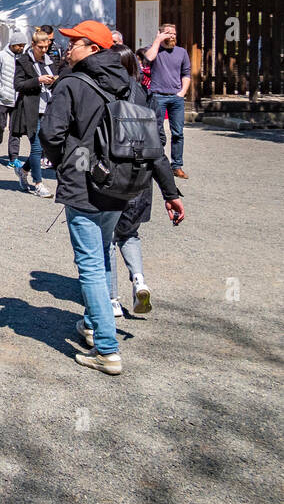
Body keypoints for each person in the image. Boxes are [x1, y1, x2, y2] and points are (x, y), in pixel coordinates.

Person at [41, 20, 184, 377]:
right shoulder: (133, 87)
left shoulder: (71, 83)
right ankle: (92, 323)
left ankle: (107, 348)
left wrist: (69, 164)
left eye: (74, 42)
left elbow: (50, 134)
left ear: (93, 49)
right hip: (122, 185)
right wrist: (170, 191)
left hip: (84, 187)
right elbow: (154, 145)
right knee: (102, 254)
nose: (67, 47)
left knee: (90, 264)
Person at [105, 46, 158, 319]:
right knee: (130, 233)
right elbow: (158, 138)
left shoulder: (107, 93)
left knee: (108, 239)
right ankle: (139, 280)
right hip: (142, 174)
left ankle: (112, 299)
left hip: (113, 175)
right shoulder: (145, 93)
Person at [11, 30, 56, 198]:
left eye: (47, 47)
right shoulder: (23, 61)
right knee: (36, 147)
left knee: (45, 146)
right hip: (31, 109)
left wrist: (54, 80)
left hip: (49, 108)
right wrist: (38, 80)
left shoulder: (50, 61)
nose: (44, 50)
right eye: (41, 47)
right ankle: (38, 183)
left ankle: (23, 170)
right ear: (33, 45)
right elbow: (18, 85)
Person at [143, 22, 191, 179]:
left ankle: (177, 165)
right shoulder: (155, 50)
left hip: (176, 97)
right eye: (168, 33)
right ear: (160, 34)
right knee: (156, 132)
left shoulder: (182, 52)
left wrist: (182, 92)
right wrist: (158, 40)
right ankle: (157, 164)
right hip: (158, 95)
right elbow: (148, 58)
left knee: (178, 133)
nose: (172, 36)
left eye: (174, 33)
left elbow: (186, 74)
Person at [0, 33, 25, 163]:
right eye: (20, 45)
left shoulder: (23, 58)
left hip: (17, 99)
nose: (22, 48)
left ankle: (13, 157)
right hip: (2, 100)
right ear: (13, 44)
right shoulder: (0, 56)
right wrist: (0, 91)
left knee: (15, 130)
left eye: (23, 45)